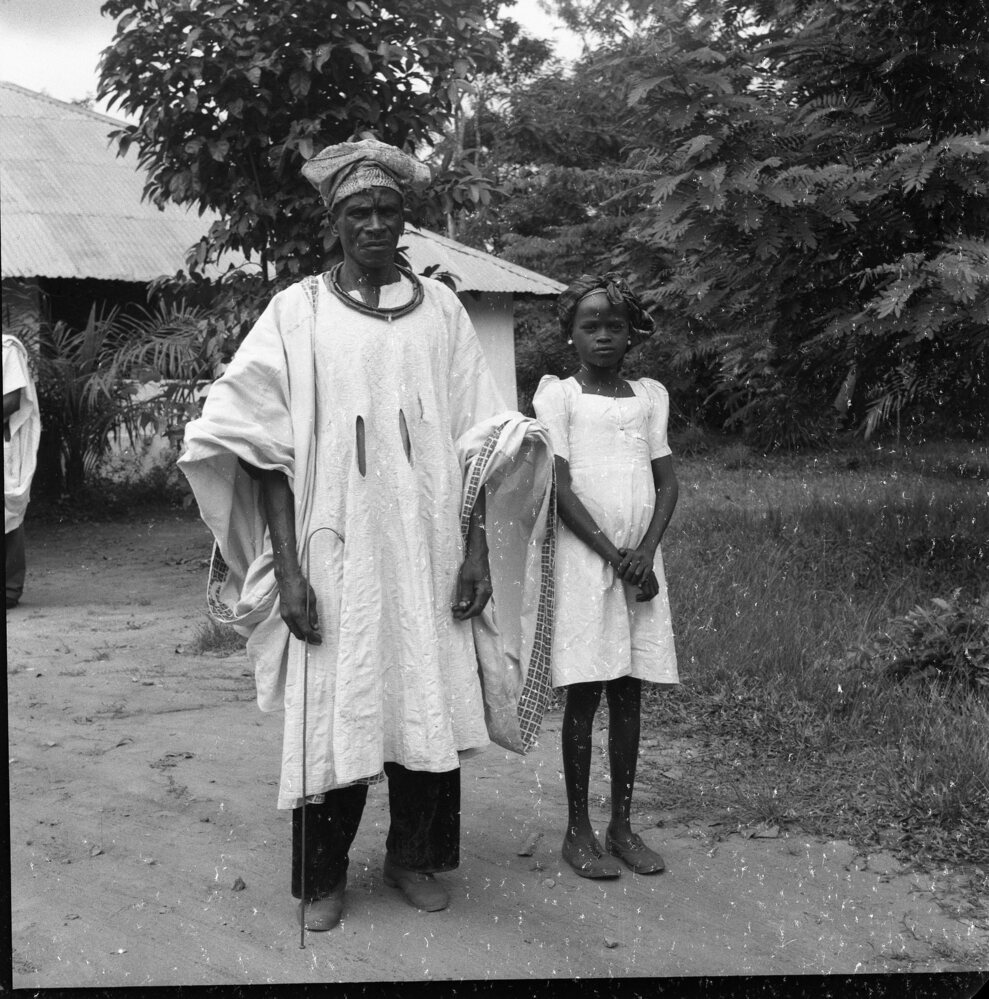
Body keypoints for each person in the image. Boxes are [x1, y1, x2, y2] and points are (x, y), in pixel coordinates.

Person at [179, 138, 554, 932]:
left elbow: (480, 437)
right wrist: (286, 570)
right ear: (335, 223)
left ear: (405, 220)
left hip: (428, 545)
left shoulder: (443, 312)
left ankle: (411, 858)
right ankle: (322, 878)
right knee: (336, 697)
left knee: (424, 691)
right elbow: (259, 446)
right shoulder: (297, 312)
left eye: (388, 210)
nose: (376, 224)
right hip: (330, 544)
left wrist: (478, 552)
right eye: (359, 212)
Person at [533, 272, 679, 880]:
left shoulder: (649, 395)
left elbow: (667, 481)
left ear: (630, 335)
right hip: (585, 562)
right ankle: (577, 829)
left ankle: (622, 823)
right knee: (585, 692)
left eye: (613, 326)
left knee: (629, 692)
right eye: (589, 326)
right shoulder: (558, 396)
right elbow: (558, 486)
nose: (602, 336)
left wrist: (645, 550)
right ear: (570, 334)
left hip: (641, 567)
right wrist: (612, 554)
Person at [4, 332, 41, 609]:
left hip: (5, 443)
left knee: (8, 511)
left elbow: (12, 401)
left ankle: (9, 591)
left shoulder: (6, 348)